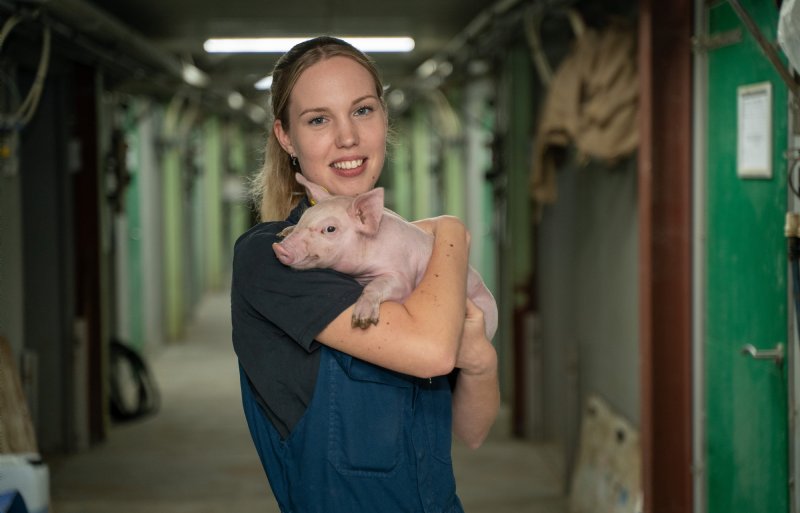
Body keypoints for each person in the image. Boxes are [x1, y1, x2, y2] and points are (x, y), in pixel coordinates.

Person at [231, 35, 500, 513]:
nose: (348, 137)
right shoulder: (271, 260)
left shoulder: (403, 254)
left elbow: (472, 432)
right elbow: (434, 353)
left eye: (362, 110)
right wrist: (453, 232)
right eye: (318, 119)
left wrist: (480, 361)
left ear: (384, 119)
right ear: (286, 137)